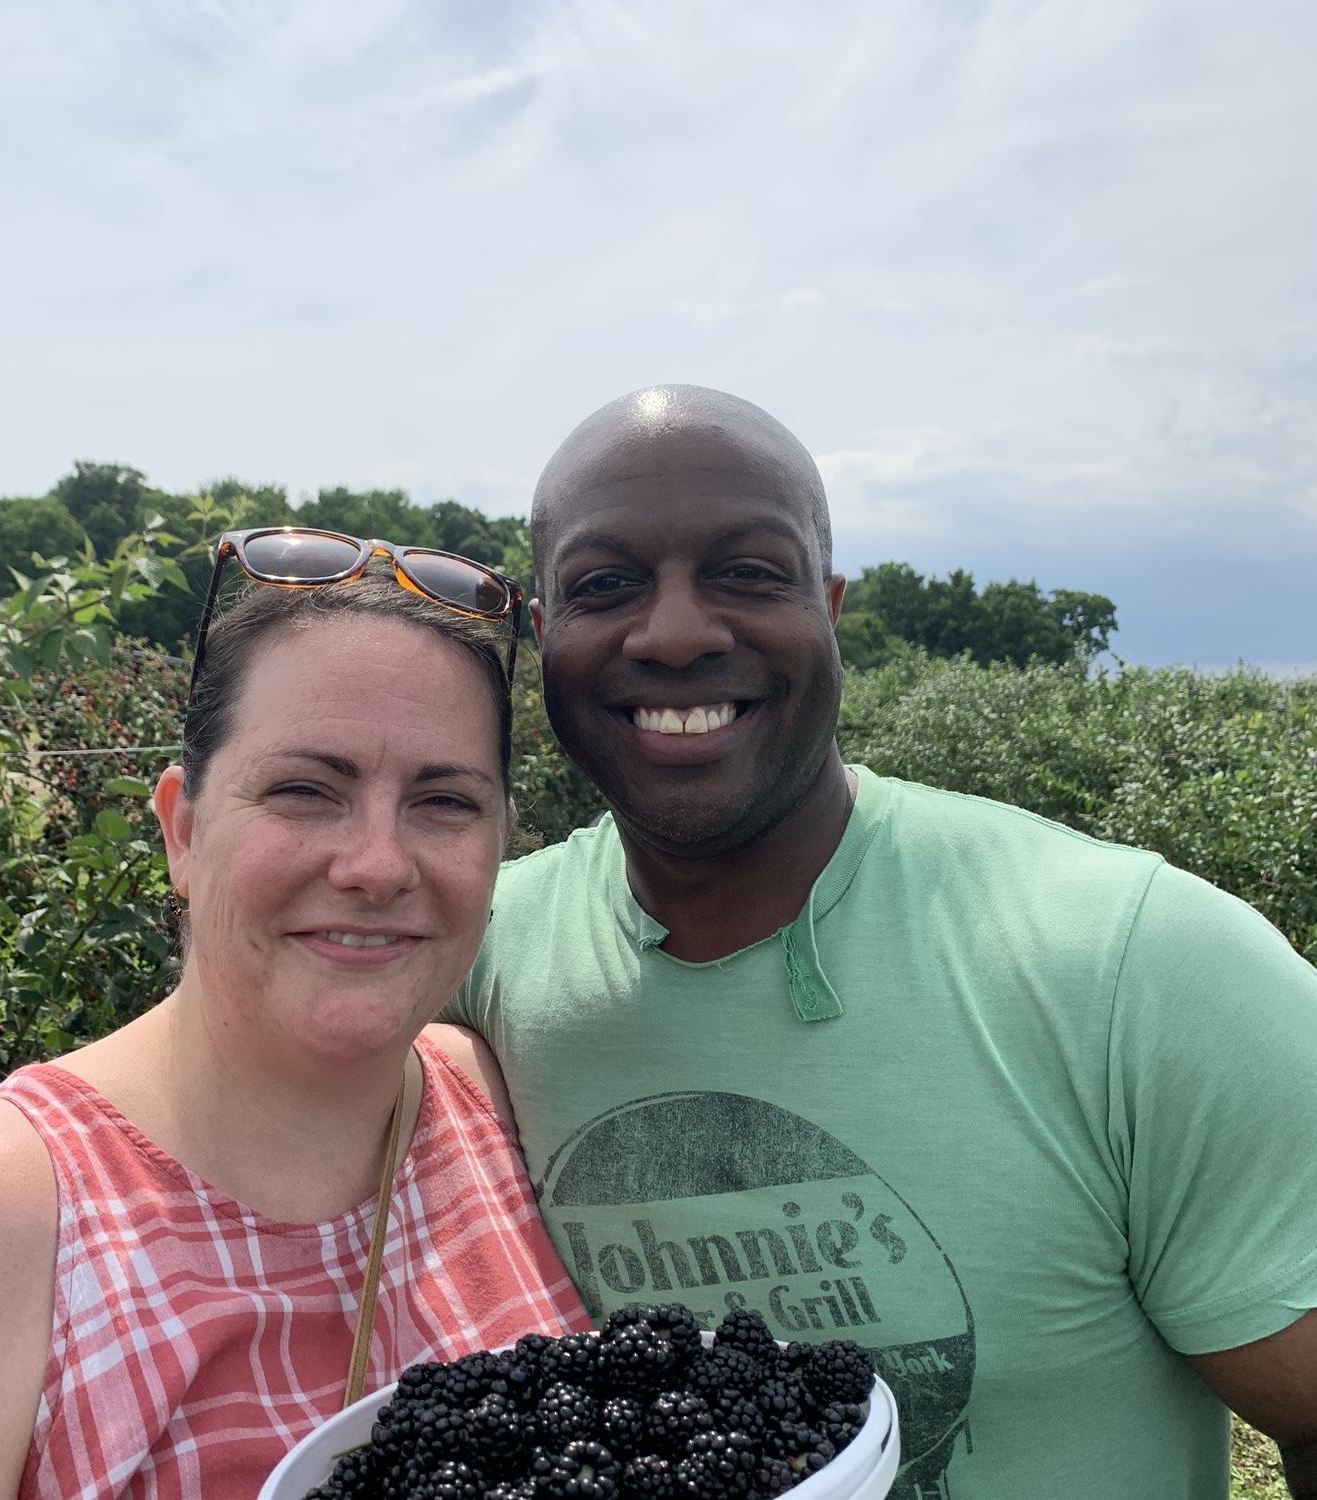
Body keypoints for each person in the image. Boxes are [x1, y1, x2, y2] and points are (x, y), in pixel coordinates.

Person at [443, 385, 1317, 1498]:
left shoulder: (1141, 963)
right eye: (605, 585)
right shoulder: (473, 966)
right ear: (541, 635)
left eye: (748, 572)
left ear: (831, 606)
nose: (673, 633)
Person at [0, 543, 587, 1498]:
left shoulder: (499, 1100)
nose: (378, 865)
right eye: (306, 790)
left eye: (444, 801)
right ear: (182, 831)